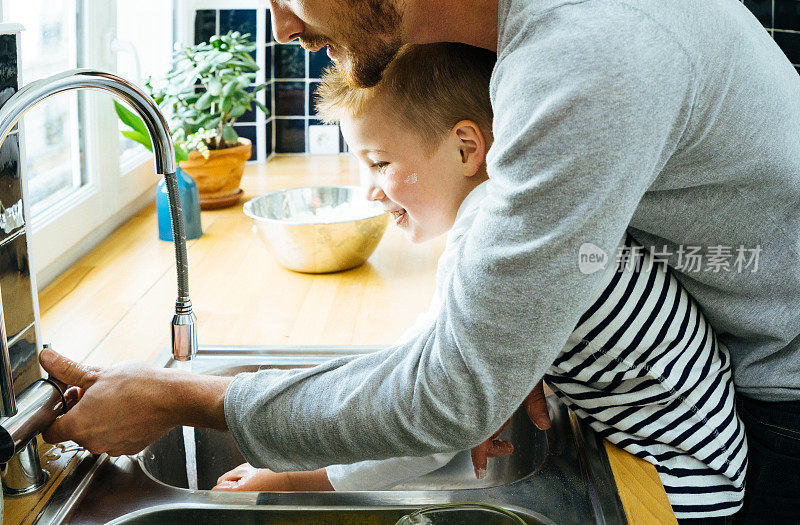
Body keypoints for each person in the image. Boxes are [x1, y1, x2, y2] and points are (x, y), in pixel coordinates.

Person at [39, 0, 800, 522]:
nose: (277, 25)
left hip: (740, 440)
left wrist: (192, 406)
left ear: (469, 148)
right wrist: (522, 347)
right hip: (727, 404)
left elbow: (439, 402)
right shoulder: (542, 52)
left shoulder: (588, 51)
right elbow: (458, 369)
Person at [209, 43, 747, 520]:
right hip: (699, 450)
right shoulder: (523, 213)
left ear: (467, 149)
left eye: (380, 162)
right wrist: (511, 380)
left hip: (680, 485)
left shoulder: (493, 243)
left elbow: (425, 417)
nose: (370, 190)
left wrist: (294, 482)